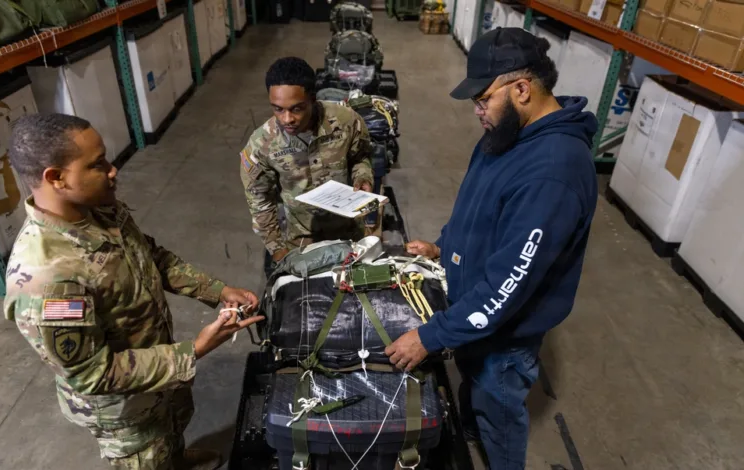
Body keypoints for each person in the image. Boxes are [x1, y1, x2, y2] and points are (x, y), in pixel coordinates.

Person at [384, 28, 599, 470]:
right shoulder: (506, 134)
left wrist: (428, 337)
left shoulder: (552, 172)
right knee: (473, 389)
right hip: (474, 316)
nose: (477, 111)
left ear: (521, 89)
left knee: (497, 408)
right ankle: (470, 429)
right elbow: (479, 208)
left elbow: (508, 286)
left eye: (483, 99)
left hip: (503, 336)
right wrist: (443, 248)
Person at [3, 114, 264, 470]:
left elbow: (151, 256)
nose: (112, 171)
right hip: (125, 409)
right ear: (56, 178)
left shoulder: (98, 207)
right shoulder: (48, 278)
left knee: (172, 427)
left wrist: (217, 290)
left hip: (156, 366)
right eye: (97, 164)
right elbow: (94, 374)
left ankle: (175, 457)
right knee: (148, 455)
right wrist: (194, 350)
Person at [239, 57, 375, 267]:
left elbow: (361, 156)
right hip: (302, 243)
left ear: (312, 99)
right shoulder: (261, 145)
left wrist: (363, 176)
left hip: (350, 236)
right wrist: (278, 250)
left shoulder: (346, 121)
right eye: (278, 109)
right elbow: (259, 202)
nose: (287, 119)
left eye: (297, 108)